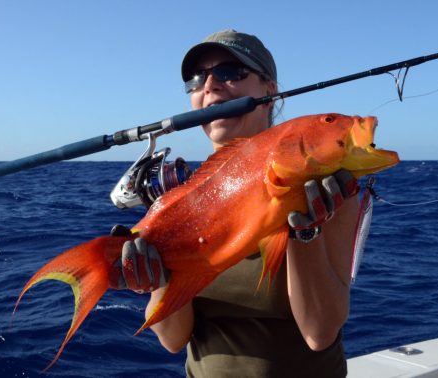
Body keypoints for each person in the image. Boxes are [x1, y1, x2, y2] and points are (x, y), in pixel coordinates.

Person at [116, 30, 360, 377]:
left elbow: (319, 333)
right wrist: (157, 279)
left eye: (231, 72)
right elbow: (172, 339)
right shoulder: (178, 197)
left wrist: (304, 233)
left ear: (269, 90)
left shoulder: (325, 188)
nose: (211, 85)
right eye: (197, 80)